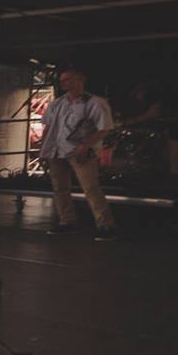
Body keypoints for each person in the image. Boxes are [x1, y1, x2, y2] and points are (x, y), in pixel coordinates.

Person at [40, 69, 118, 239]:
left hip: (79, 150)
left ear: (80, 80)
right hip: (57, 150)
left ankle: (106, 225)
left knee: (90, 188)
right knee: (60, 188)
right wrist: (44, 149)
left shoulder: (95, 103)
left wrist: (85, 146)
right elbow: (48, 127)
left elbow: (105, 128)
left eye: (68, 79)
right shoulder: (58, 103)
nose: (64, 83)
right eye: (62, 80)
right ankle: (67, 221)